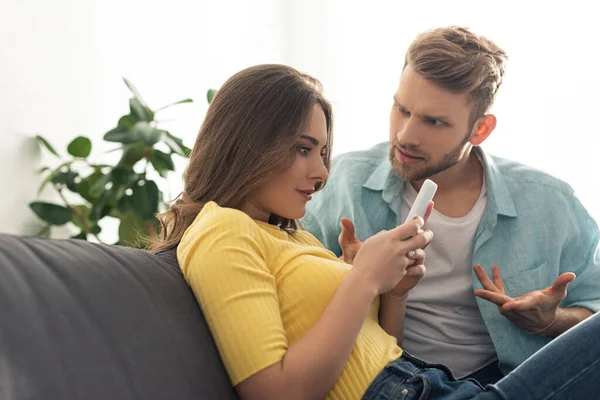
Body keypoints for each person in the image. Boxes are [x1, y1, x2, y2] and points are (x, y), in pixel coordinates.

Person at [150, 64, 600, 400]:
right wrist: (363, 278)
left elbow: (382, 350)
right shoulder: (222, 229)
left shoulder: (291, 237)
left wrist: (395, 291)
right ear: (248, 141)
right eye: (304, 149)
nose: (322, 171)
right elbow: (277, 394)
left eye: (323, 152)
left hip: (426, 383)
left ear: (479, 129)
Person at [303, 26, 600, 384]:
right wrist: (342, 276)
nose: (405, 135)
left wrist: (552, 321)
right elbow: (291, 285)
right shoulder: (340, 181)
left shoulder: (548, 201)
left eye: (434, 121)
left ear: (480, 130)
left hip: (508, 382)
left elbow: (593, 307)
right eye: (402, 109)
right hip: (394, 380)